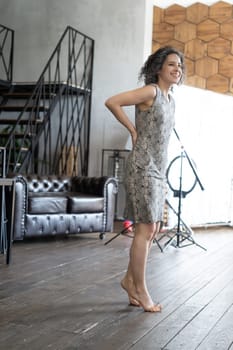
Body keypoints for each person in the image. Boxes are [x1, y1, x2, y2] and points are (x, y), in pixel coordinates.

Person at [105, 46, 185, 312]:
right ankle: (140, 289)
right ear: (159, 68)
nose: (177, 69)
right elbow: (112, 101)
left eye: (180, 66)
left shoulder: (170, 98)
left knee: (151, 230)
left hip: (157, 170)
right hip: (142, 167)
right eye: (172, 64)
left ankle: (130, 281)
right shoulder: (150, 91)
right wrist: (132, 129)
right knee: (145, 229)